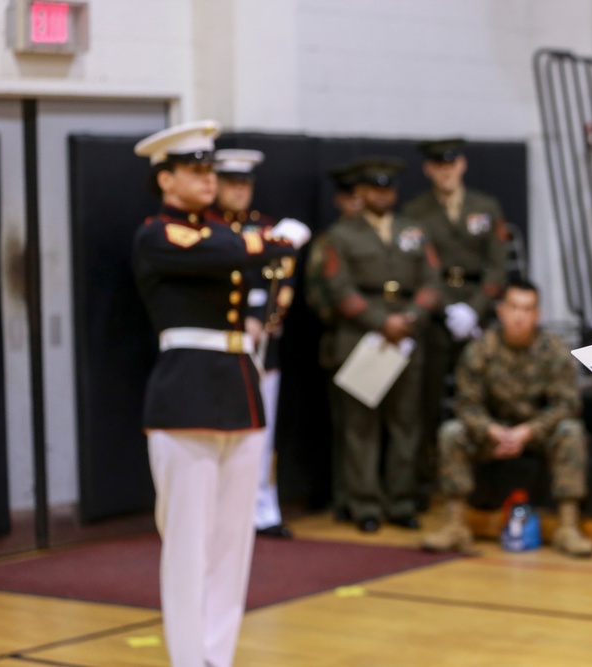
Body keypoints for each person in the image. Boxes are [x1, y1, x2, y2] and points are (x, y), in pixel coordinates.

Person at [132, 121, 310, 667]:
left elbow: (251, 254)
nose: (207, 179)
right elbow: (240, 249)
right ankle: (188, 658)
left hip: (239, 388)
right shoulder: (160, 234)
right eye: (194, 169)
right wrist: (274, 240)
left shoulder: (220, 233)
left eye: (210, 168)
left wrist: (268, 245)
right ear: (166, 179)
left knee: (233, 543)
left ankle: (217, 654)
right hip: (187, 394)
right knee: (188, 543)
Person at [421, 280, 592, 558]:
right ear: (501, 311)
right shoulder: (481, 349)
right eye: (513, 307)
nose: (519, 316)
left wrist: (528, 432)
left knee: (571, 431)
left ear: (537, 315)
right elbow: (466, 405)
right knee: (451, 432)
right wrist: (492, 430)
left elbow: (567, 404)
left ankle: (567, 526)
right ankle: (455, 524)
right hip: (492, 434)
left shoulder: (553, 349)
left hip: (536, 434)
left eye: (527, 309)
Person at [323, 157, 442, 533]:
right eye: (374, 189)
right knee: (361, 427)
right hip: (362, 337)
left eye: (388, 188)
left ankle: (401, 500)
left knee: (407, 423)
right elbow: (338, 288)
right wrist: (380, 321)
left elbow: (432, 281)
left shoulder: (413, 230)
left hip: (407, 336)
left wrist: (410, 318)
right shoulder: (340, 235)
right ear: (360, 193)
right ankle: (364, 503)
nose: (382, 195)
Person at [401, 138, 509, 509]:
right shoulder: (415, 211)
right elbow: (417, 265)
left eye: (451, 164)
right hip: (436, 312)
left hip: (478, 312)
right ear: (428, 170)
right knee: (426, 399)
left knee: (484, 395)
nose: (445, 171)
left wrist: (475, 310)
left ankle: (483, 483)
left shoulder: (485, 207)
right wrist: (445, 308)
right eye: (437, 166)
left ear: (461, 165)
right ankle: (424, 480)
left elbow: (498, 265)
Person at [206, 148, 296, 539]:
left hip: (261, 348)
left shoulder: (267, 229)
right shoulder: (205, 230)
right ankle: (218, 509)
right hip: (216, 345)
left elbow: (283, 285)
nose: (239, 191)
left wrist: (264, 322)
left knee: (264, 430)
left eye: (245, 183)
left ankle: (263, 508)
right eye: (231, 183)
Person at [302, 163, 363, 523]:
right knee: (348, 426)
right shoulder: (328, 241)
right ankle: (346, 497)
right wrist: (348, 322)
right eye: (351, 196)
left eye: (363, 195)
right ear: (340, 200)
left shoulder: (385, 235)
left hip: (387, 340)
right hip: (346, 338)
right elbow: (317, 295)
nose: (358, 202)